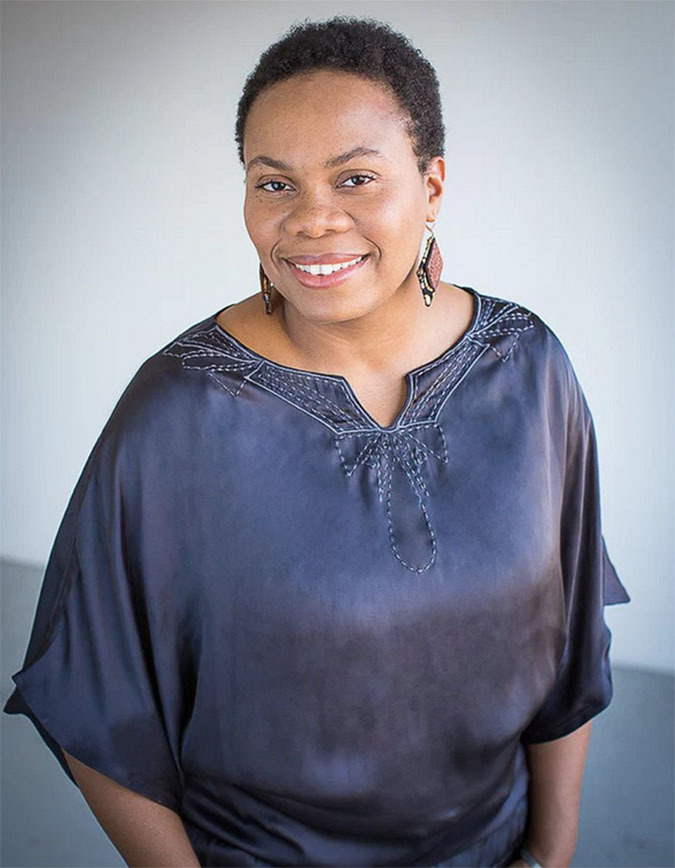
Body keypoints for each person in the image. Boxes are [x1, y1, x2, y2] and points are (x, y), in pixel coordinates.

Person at [3, 15, 630, 868]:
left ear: (432, 185)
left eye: (355, 178)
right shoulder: (178, 411)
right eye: (274, 184)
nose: (311, 219)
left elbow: (569, 645)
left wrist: (549, 856)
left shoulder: (528, 368)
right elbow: (94, 702)